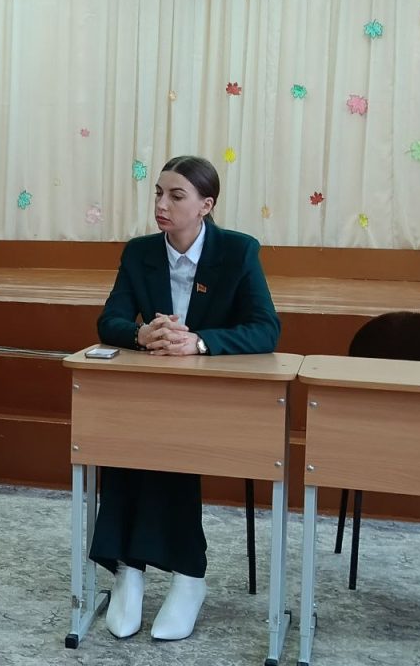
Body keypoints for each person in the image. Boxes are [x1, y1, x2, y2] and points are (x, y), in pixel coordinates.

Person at [90, 155, 280, 641]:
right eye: (158, 193)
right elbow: (110, 320)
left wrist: (199, 342)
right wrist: (142, 335)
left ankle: (187, 576)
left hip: (214, 397)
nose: (162, 204)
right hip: (154, 391)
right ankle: (129, 572)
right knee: (123, 435)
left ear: (205, 206)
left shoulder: (237, 251)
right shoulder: (139, 252)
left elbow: (266, 329)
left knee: (168, 442)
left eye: (176, 196)